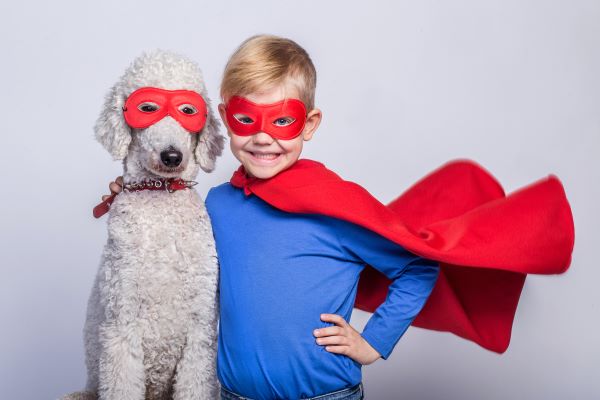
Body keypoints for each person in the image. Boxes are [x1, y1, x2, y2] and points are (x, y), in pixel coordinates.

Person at [102, 35, 574, 400]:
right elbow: (179, 248)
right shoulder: (219, 205)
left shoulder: (334, 205)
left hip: (327, 394)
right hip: (233, 393)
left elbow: (416, 264)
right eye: (248, 120)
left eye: (281, 120)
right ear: (225, 119)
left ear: (308, 124)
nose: (264, 138)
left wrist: (376, 341)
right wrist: (139, 190)